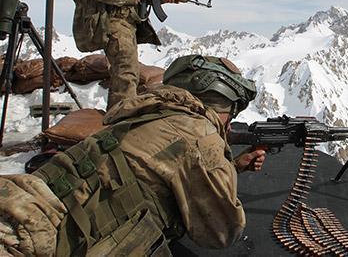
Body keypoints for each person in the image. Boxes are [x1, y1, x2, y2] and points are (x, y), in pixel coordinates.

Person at [0, 55, 266, 256]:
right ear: (219, 102)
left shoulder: (141, 113)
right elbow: (221, 233)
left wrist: (232, 166)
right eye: (230, 112)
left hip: (20, 207)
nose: (228, 123)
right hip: (36, 241)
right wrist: (224, 170)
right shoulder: (199, 134)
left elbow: (152, 169)